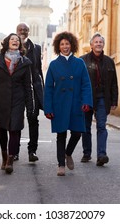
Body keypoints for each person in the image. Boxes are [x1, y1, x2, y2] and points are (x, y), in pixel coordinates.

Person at [44, 31, 93, 176]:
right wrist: (48, 108)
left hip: (76, 103)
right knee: (61, 135)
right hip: (59, 104)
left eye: (67, 43)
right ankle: (60, 165)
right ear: (58, 47)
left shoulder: (79, 63)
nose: (65, 46)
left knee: (77, 133)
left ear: (72, 45)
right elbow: (48, 88)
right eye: (62, 44)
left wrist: (86, 101)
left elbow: (86, 84)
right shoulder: (53, 65)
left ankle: (68, 153)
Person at [0, 33, 34, 174]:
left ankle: (10, 160)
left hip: (18, 101)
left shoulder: (25, 63)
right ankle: (4, 155)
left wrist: (30, 105)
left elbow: (28, 86)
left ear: (20, 44)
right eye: (12, 39)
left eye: (17, 40)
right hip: (1, 100)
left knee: (15, 129)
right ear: (7, 43)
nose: (15, 41)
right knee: (3, 129)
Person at [80, 32, 118, 166]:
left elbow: (114, 82)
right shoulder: (82, 60)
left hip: (103, 98)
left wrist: (114, 101)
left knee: (101, 126)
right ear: (91, 45)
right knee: (85, 127)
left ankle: (101, 155)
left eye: (100, 42)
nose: (98, 44)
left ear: (103, 45)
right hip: (87, 98)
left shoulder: (109, 61)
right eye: (96, 42)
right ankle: (87, 153)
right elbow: (78, 82)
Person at [15, 22, 44, 162]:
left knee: (33, 120)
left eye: (26, 30)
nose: (23, 31)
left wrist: (41, 91)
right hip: (17, 91)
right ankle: (14, 152)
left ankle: (32, 151)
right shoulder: (12, 46)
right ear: (16, 31)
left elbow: (38, 71)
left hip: (33, 90)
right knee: (16, 121)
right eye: (20, 29)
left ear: (29, 32)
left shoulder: (36, 48)